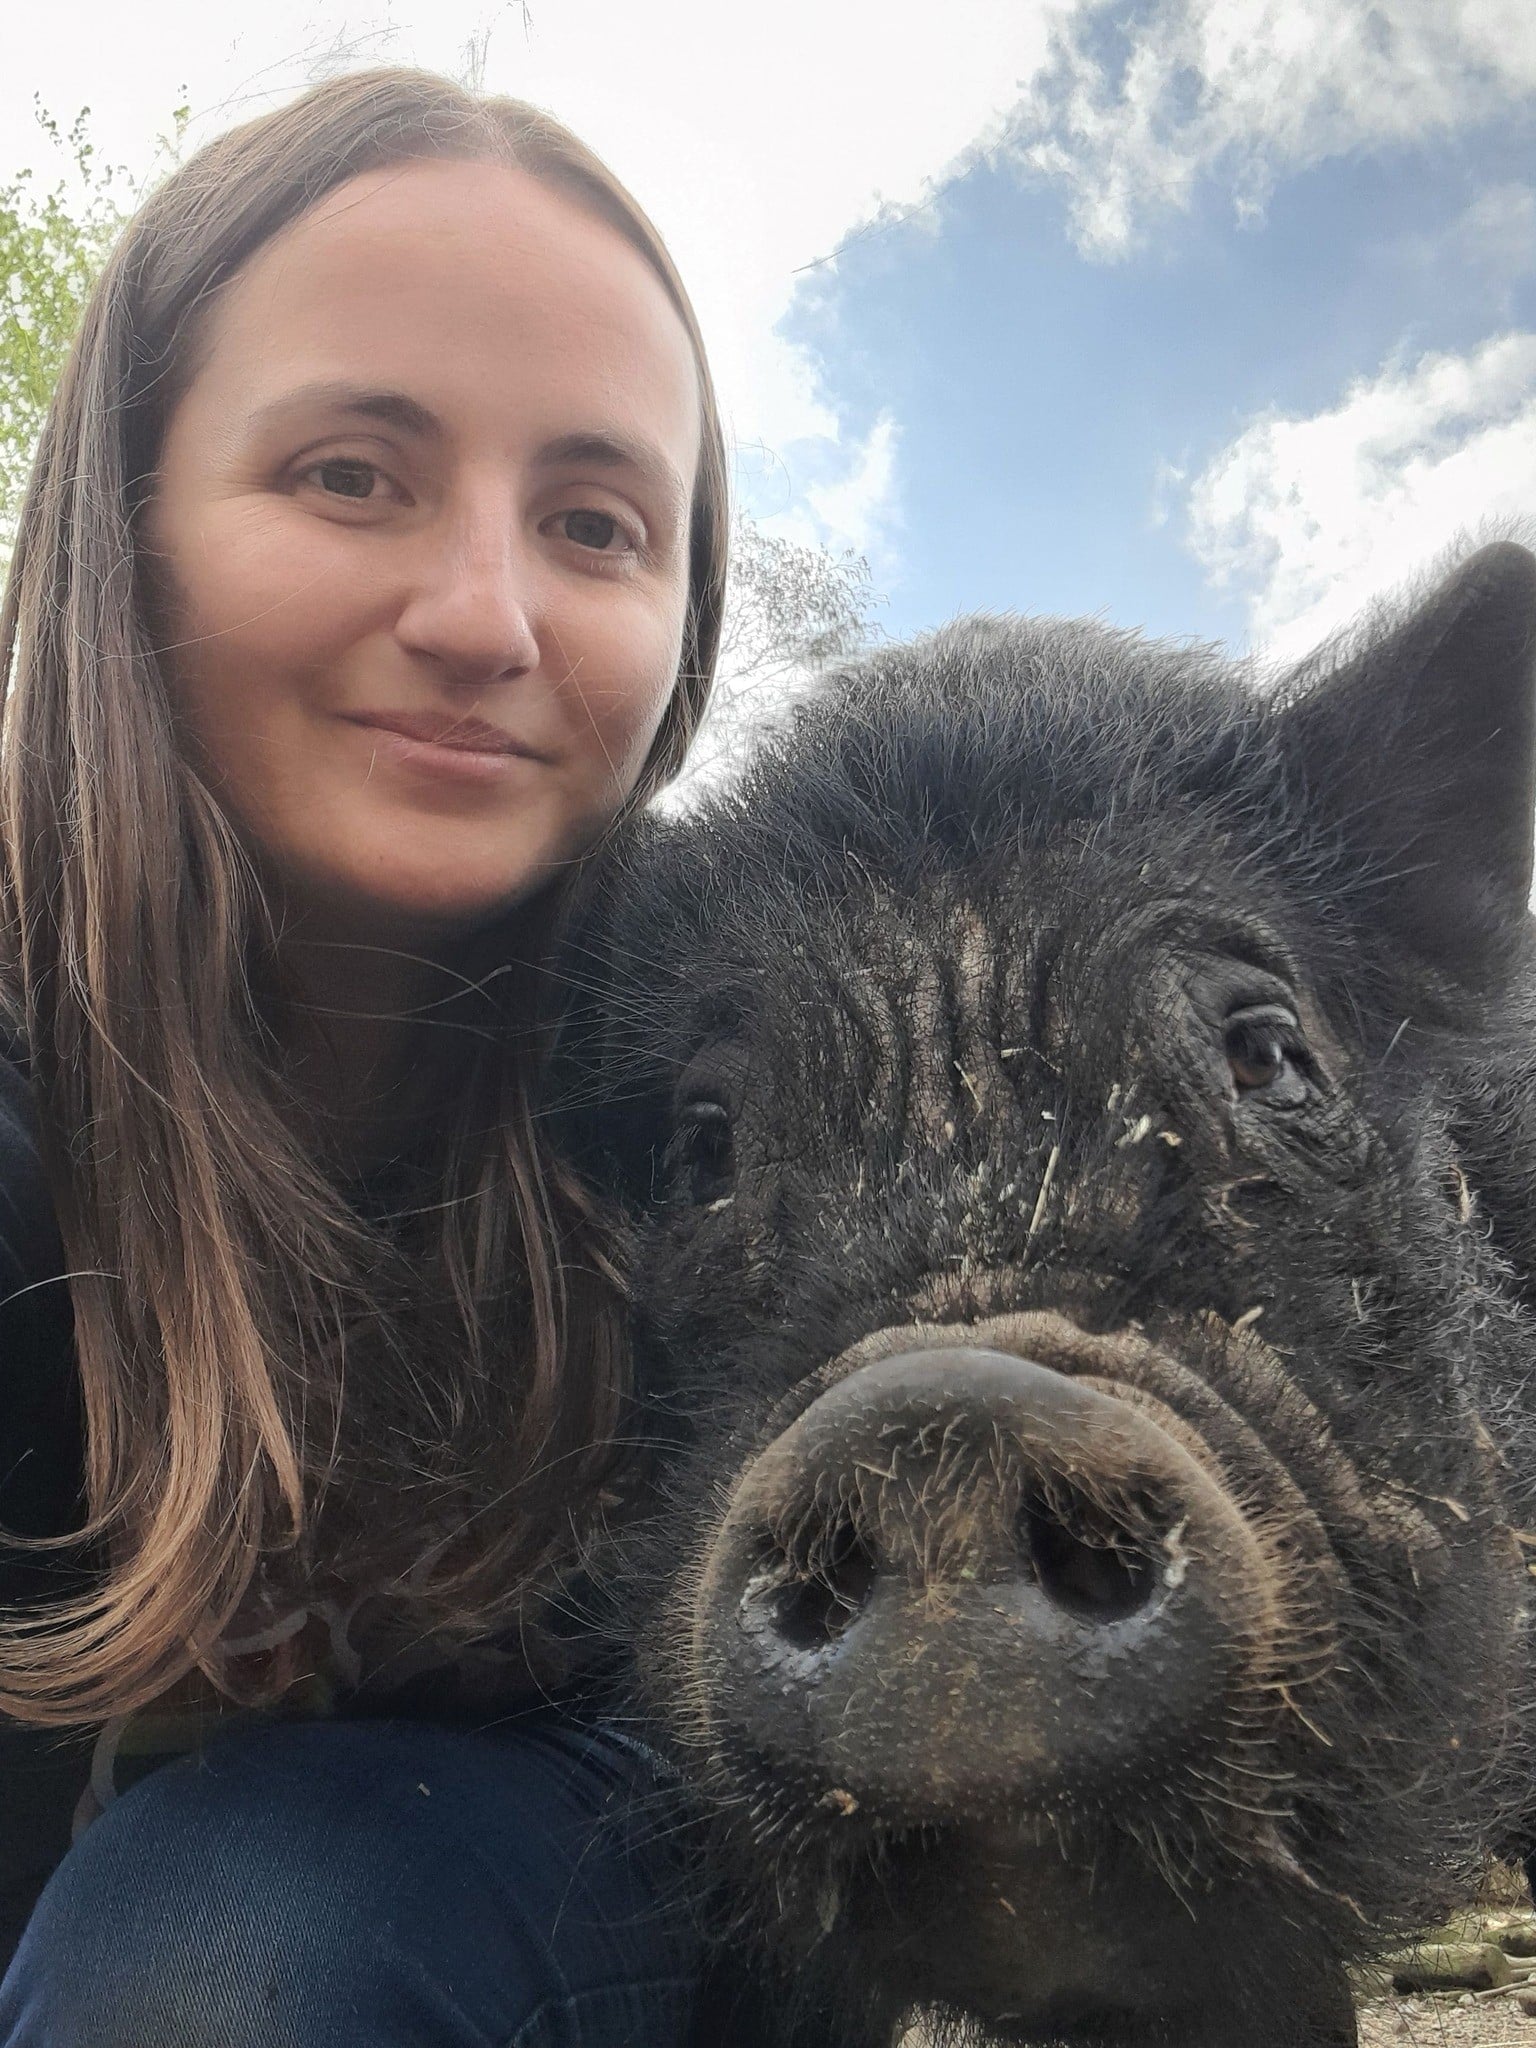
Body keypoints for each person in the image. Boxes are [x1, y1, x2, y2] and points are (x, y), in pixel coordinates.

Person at [0, 66, 728, 2045]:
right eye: (350, 475)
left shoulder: (739, 1108)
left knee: (220, 1966)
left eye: (594, 523)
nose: (486, 616)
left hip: (537, 1889)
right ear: (125, 519)